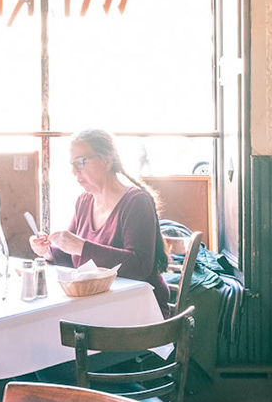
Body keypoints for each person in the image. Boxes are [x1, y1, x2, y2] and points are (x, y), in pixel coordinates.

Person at [30, 128, 172, 316]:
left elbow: (140, 266)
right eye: (72, 164)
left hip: (140, 310)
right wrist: (48, 251)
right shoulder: (84, 201)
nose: (74, 171)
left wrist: (81, 246)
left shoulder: (136, 201)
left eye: (80, 162)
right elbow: (75, 259)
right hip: (99, 305)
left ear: (106, 161)